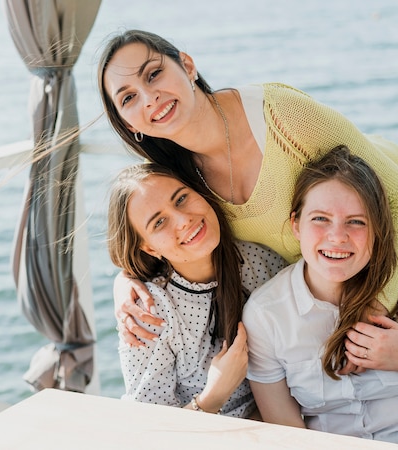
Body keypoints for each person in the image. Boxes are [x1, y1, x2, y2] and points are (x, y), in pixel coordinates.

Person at [97, 29, 398, 346]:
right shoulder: (173, 176)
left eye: (153, 74)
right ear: (126, 123)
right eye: (128, 98)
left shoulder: (280, 114)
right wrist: (125, 283)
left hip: (393, 214)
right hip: (321, 259)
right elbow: (144, 231)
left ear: (187, 65)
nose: (149, 97)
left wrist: (376, 305)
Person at [242, 146, 398, 449]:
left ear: (377, 229)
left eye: (356, 221)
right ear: (296, 224)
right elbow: (289, 432)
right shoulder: (266, 314)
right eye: (320, 218)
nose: (337, 236)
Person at [107, 162, 285, 417]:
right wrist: (213, 396)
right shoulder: (149, 311)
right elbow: (150, 430)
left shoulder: (261, 262)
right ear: (149, 248)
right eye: (159, 223)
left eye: (181, 199)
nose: (183, 220)